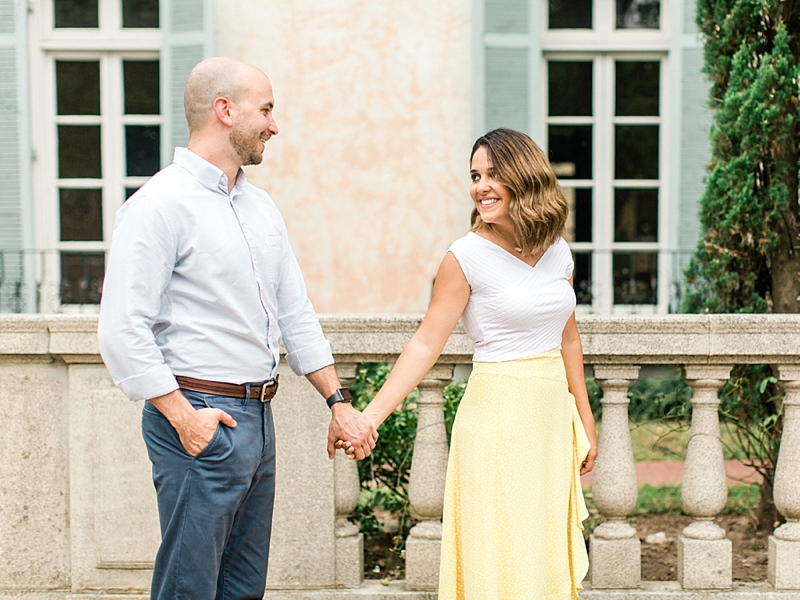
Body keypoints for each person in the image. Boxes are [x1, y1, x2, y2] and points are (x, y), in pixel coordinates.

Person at [97, 57, 377, 600]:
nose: (275, 125)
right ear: (224, 110)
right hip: (200, 417)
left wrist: (338, 402)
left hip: (259, 420)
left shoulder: (261, 206)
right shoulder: (158, 205)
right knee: (189, 588)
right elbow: (121, 329)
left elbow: (295, 314)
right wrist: (184, 418)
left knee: (243, 589)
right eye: (266, 110)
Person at [347, 128, 597, 599]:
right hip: (495, 425)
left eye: (493, 174)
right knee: (501, 550)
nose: (480, 186)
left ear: (525, 178)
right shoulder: (464, 257)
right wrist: (368, 417)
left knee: (541, 548)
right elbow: (425, 344)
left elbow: (568, 339)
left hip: (548, 422)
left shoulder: (558, 251)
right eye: (475, 175)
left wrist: (584, 418)